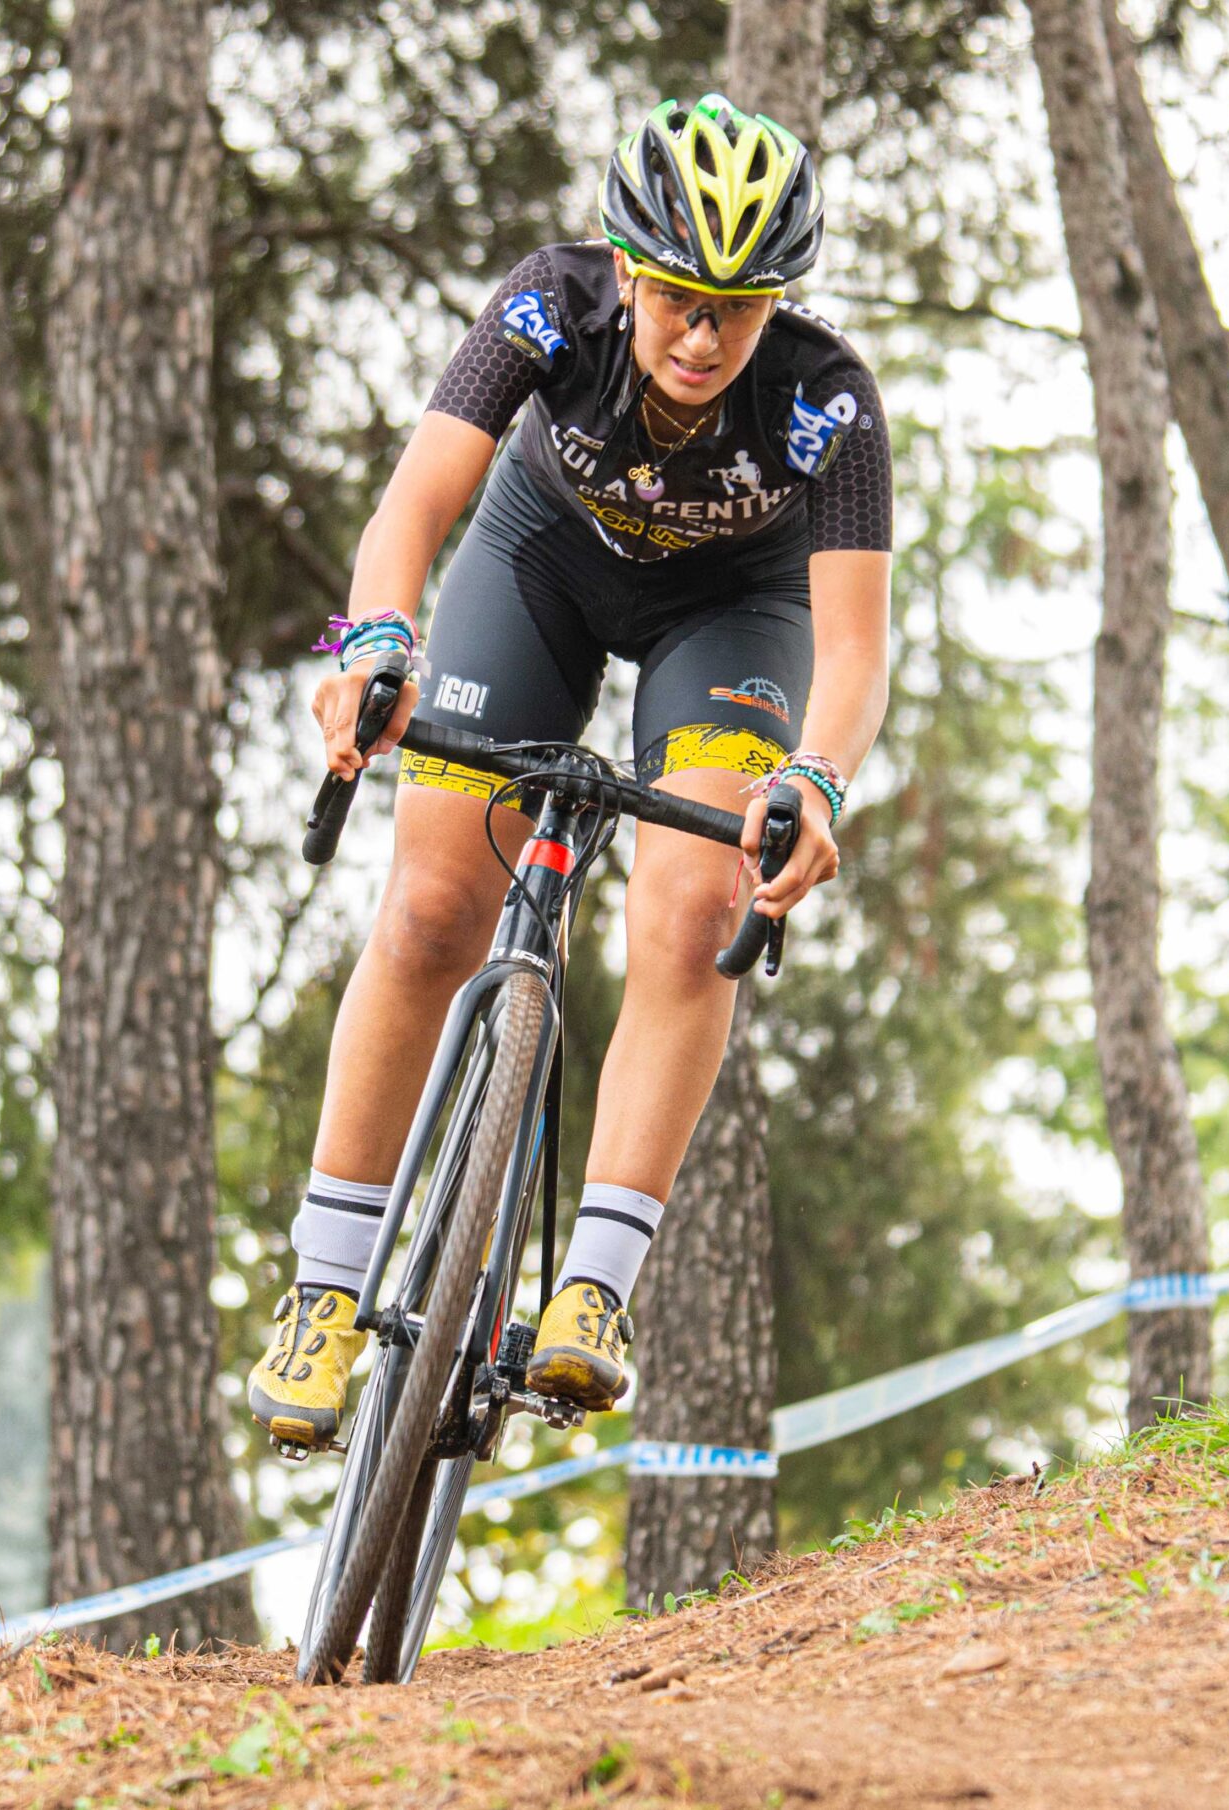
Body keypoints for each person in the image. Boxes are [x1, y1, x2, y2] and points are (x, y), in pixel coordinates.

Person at [248, 94, 892, 1450]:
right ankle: (323, 1287)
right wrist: (375, 643)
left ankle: (593, 1284)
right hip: (536, 561)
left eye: (741, 305)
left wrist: (816, 782)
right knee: (431, 909)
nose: (705, 337)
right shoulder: (549, 307)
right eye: (676, 298)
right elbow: (416, 503)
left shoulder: (827, 401)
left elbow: (852, 647)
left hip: (732, 614)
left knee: (696, 904)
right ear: (626, 267)